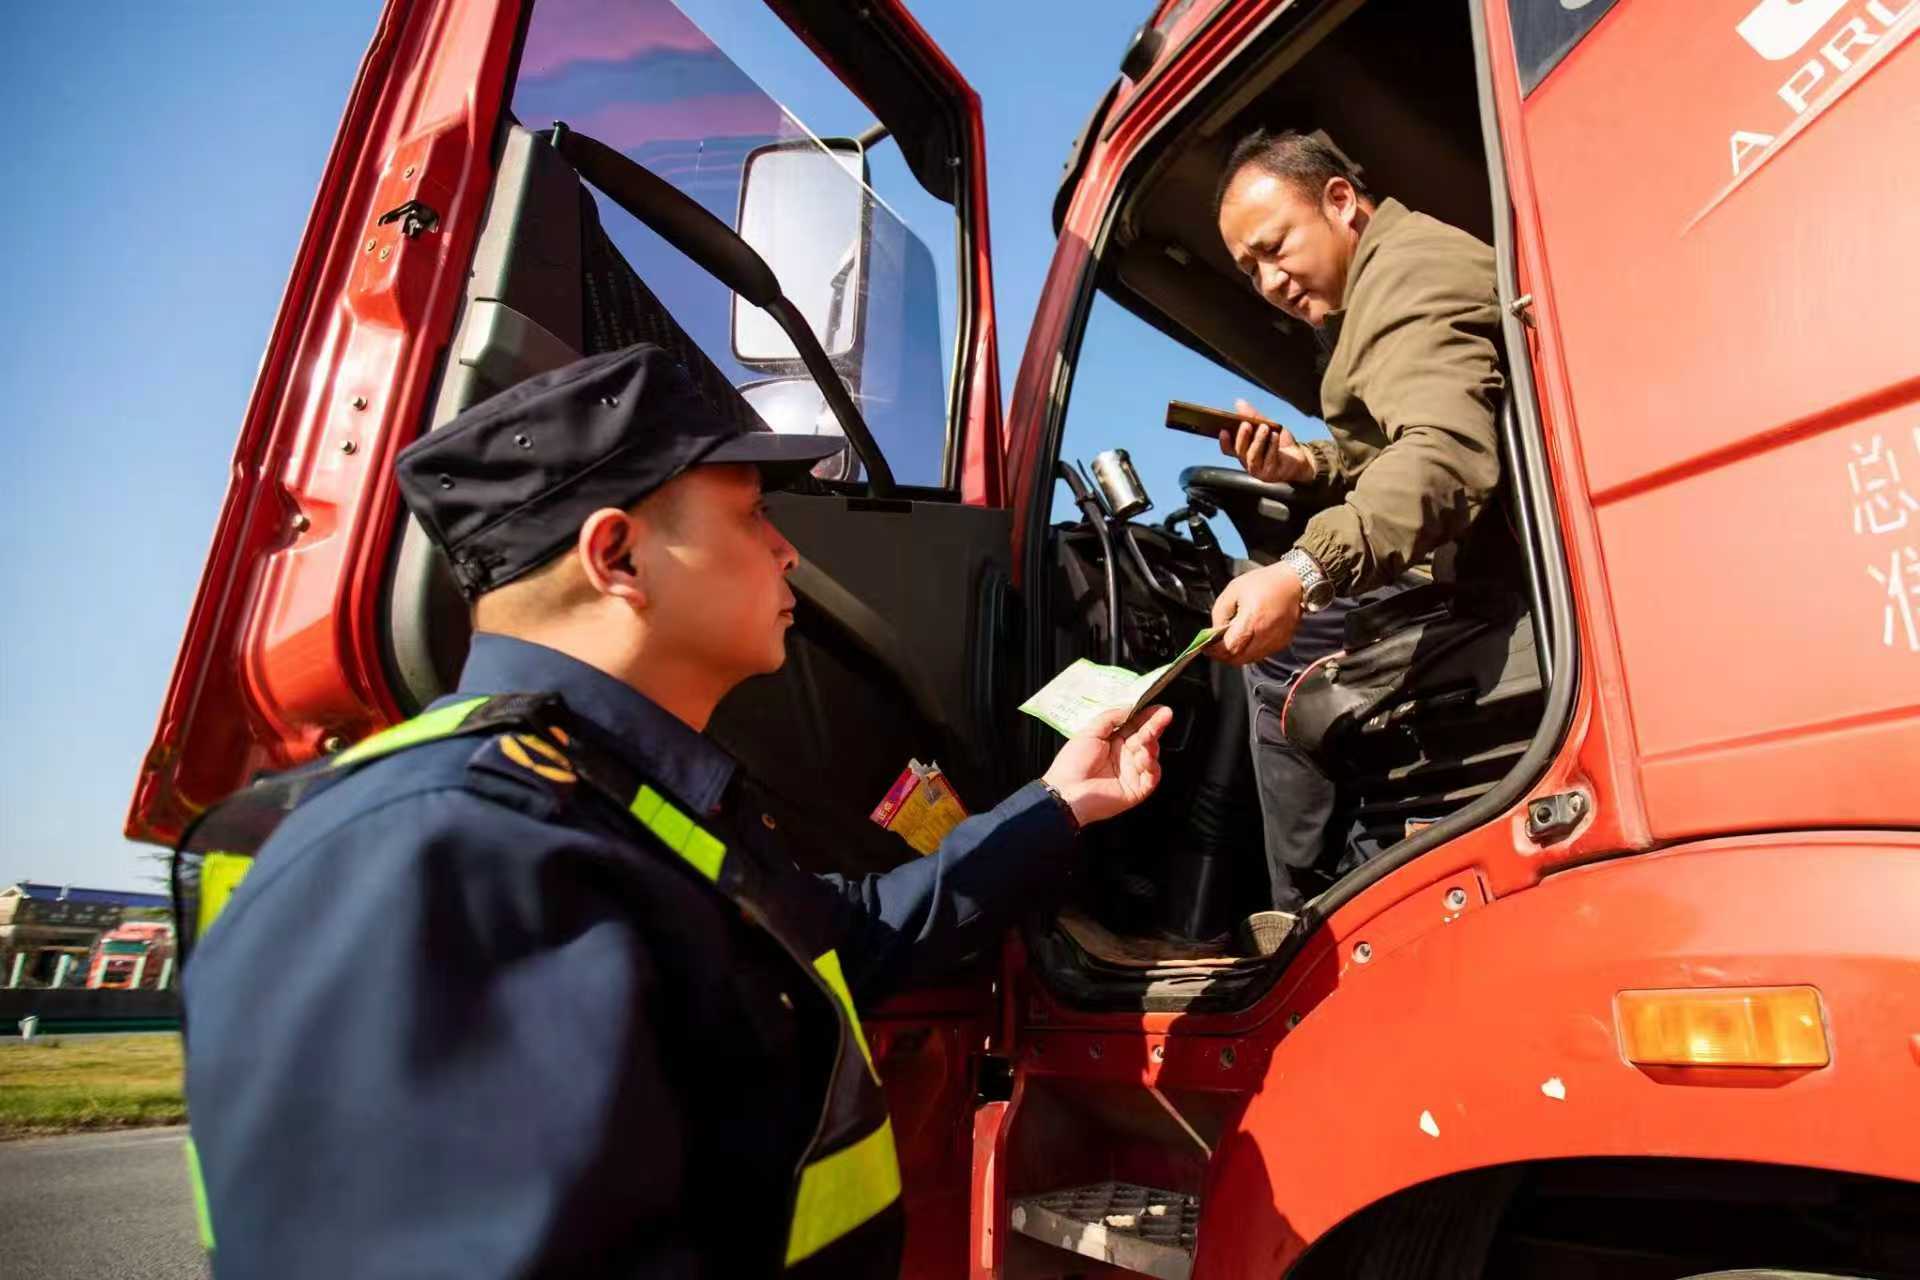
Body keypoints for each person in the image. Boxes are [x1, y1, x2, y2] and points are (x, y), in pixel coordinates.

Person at [180, 343, 1173, 1278]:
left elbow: (854, 939)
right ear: (617, 556)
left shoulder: (605, 805)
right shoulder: (441, 851)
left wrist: (1060, 803)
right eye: (751, 516)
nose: (787, 552)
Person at [1206, 128, 1504, 923]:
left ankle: (1312, 912)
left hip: (1497, 575)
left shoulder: (1407, 276)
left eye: (1275, 249)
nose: (1269, 282)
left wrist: (1303, 573)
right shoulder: (1379, 286)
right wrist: (1303, 465)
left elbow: (1443, 455)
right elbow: (1395, 444)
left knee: (1273, 650)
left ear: (1339, 201)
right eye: (1250, 270)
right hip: (1474, 560)